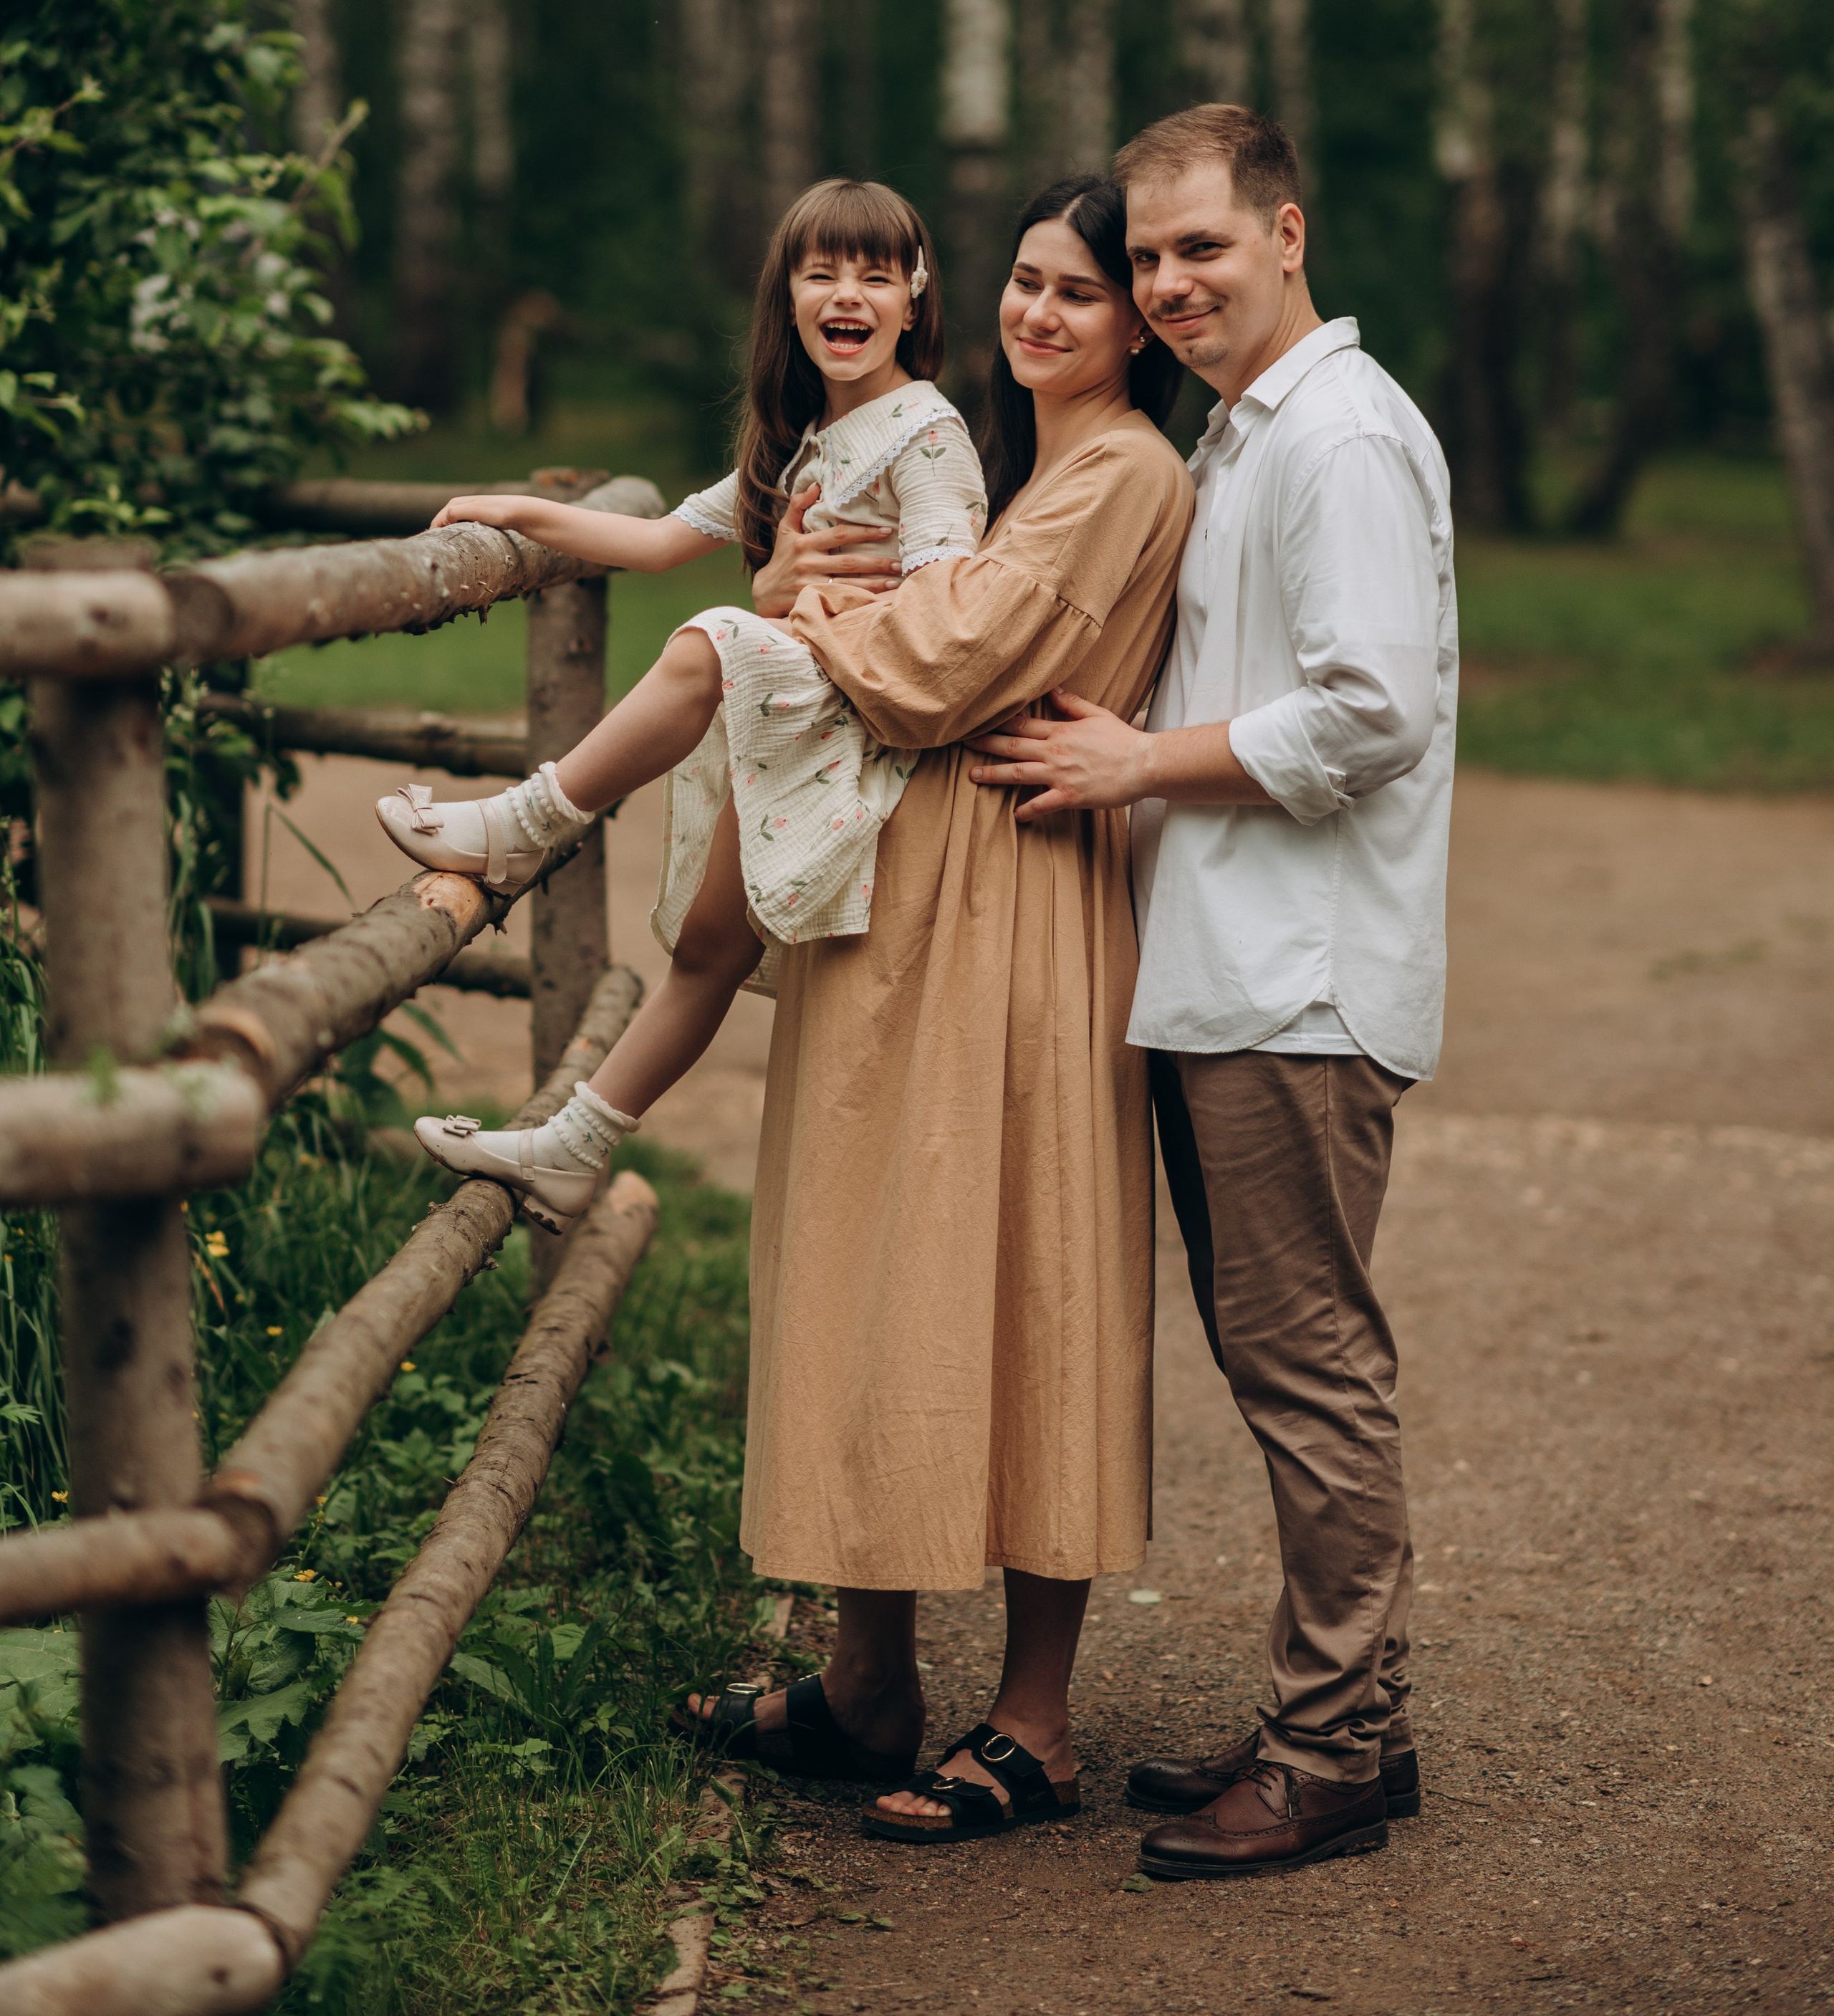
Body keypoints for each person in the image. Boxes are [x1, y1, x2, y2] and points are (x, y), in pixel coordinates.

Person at [971, 105, 1456, 1880]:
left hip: (1294, 983)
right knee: (1285, 1364)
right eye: (1150, 259)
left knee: (1308, 1370)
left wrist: (1139, 763)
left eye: (1199, 250)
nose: (1169, 285)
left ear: (1285, 234)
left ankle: (1327, 1754)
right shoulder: (1253, 433)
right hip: (1232, 971)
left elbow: (1369, 710)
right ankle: (1356, 1726)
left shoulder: (1332, 435)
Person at [681, 175, 1192, 1831]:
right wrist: (815, 597)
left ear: (1137, 325)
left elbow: (942, 660)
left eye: (1082, 293)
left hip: (1021, 907)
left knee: (1029, 1269)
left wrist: (797, 605)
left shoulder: (1121, 469)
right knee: (872, 1262)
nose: (1041, 315)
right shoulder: (1020, 457)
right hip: (910, 905)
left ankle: (1033, 1723)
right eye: (1028, 284)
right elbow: (919, 632)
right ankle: (864, 1683)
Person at [380, 177, 986, 1234]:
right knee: (707, 952)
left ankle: (528, 826)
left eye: (876, 275)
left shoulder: (925, 434)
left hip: (861, 730)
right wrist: (515, 507)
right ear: (788, 295)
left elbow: (950, 598)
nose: (849, 295)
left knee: (712, 639)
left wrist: (818, 603)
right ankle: (575, 1150)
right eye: (823, 272)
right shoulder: (803, 440)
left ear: (915, 296)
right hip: (801, 715)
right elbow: (661, 538)